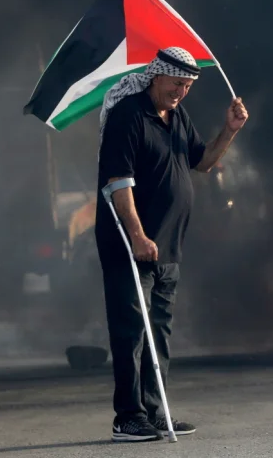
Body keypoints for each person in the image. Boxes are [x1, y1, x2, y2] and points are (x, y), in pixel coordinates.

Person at [95, 46, 248, 442]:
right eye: (176, 83)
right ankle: (127, 418)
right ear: (156, 76)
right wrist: (138, 235)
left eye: (187, 86)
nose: (181, 92)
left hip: (168, 248)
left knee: (158, 331)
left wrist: (229, 129)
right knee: (131, 331)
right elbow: (117, 182)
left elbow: (204, 162)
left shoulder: (176, 116)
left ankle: (155, 411)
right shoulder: (128, 116)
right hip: (132, 247)